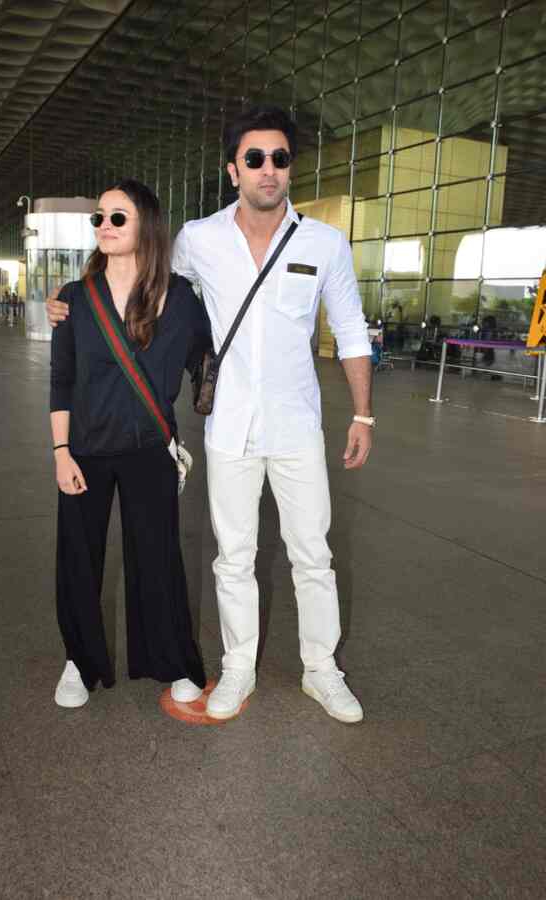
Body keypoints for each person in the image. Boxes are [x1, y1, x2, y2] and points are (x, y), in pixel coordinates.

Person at [48, 107, 373, 724]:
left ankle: (322, 671)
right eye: (254, 158)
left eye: (279, 157)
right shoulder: (199, 239)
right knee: (233, 555)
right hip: (228, 429)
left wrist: (363, 416)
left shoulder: (324, 243)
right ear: (234, 170)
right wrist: (67, 300)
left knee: (313, 554)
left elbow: (351, 329)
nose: (268, 169)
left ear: (289, 167)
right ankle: (239, 668)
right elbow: (148, 282)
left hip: (298, 423)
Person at [49, 178, 207, 709]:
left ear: (146, 224)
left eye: (118, 217)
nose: (105, 227)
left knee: (157, 557)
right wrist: (60, 452)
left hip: (148, 449)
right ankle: (79, 660)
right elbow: (61, 380)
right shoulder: (74, 298)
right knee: (78, 558)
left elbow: (206, 361)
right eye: (99, 217)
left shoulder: (179, 297)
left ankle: (172, 661)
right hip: (86, 450)